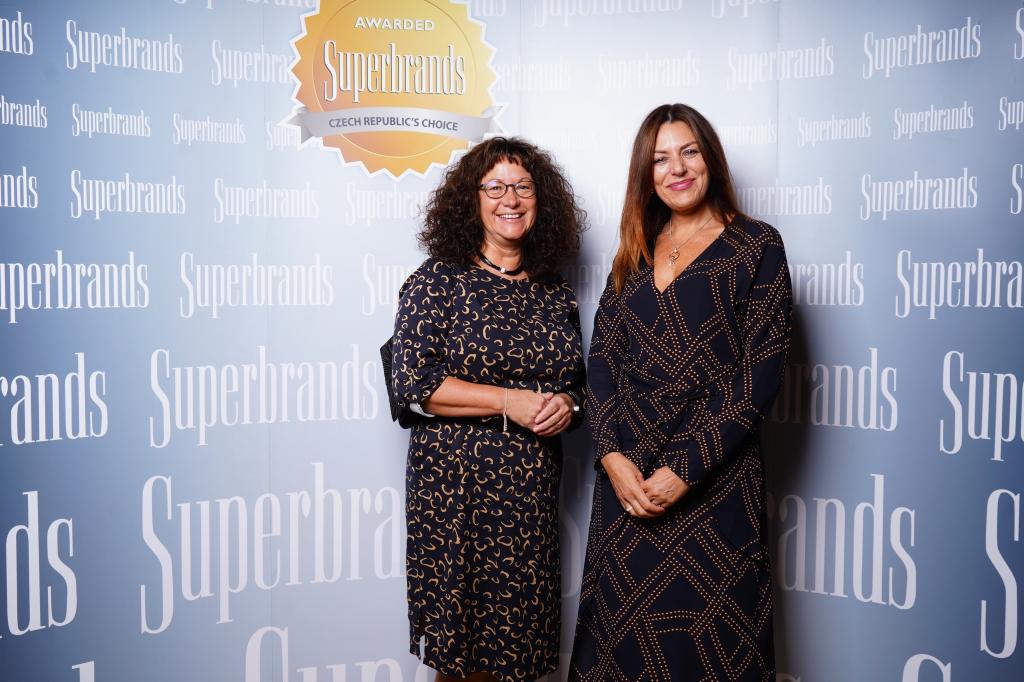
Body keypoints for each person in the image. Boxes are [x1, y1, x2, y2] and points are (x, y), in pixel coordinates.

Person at [569, 103, 792, 680]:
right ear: (646, 175)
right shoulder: (635, 250)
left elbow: (760, 376)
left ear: (710, 159)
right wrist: (611, 457)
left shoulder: (756, 245)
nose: (678, 169)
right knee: (622, 650)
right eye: (661, 159)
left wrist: (684, 470)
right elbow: (603, 362)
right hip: (629, 484)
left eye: (689, 152)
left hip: (715, 484)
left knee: (712, 650)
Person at [391, 137, 588, 682]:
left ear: (541, 199)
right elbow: (413, 382)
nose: (510, 199)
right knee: (463, 657)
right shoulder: (439, 280)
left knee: (517, 658)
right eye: (495, 187)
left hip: (528, 500)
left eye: (523, 186)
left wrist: (566, 405)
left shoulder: (554, 293)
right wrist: (509, 402)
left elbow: (576, 385)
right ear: (471, 200)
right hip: (456, 498)